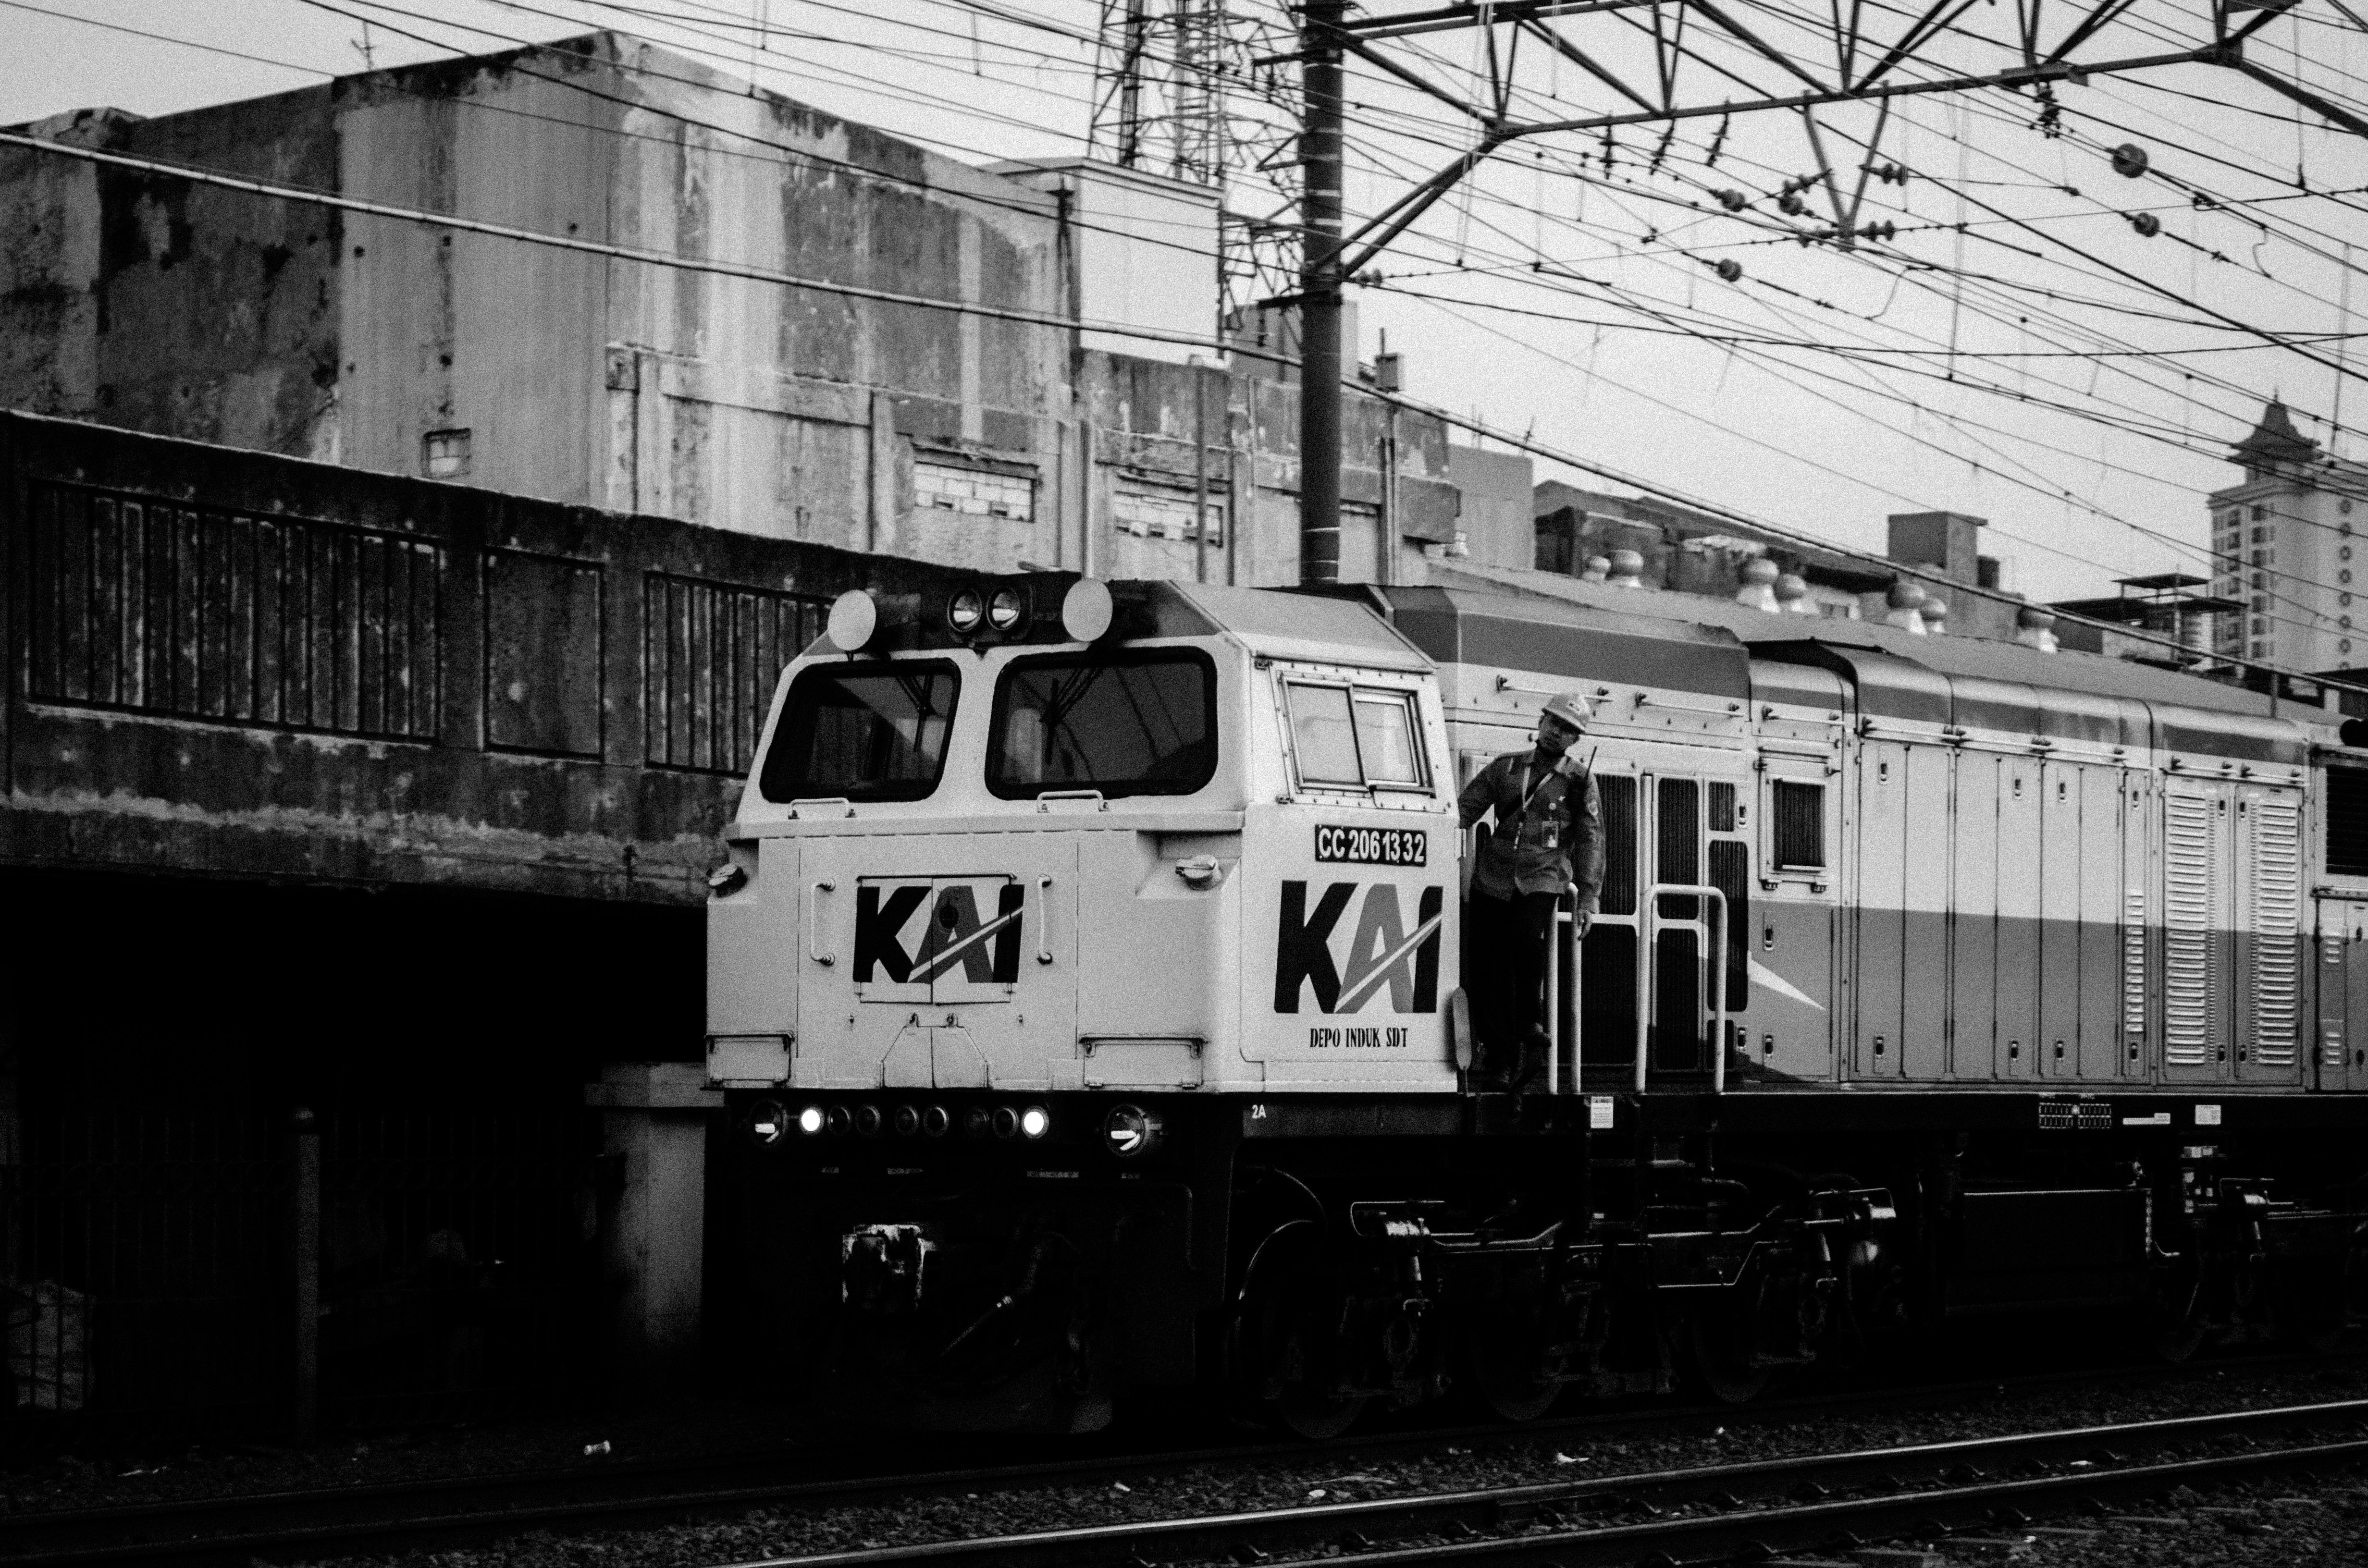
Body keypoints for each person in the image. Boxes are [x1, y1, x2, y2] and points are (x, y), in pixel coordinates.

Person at [1455, 692, 1605, 1089]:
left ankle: (1530, 1021)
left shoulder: (1579, 780)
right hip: (1493, 876)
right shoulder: (1505, 769)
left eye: (1569, 730)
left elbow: (1591, 839)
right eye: (1554, 723)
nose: (1558, 733)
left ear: (1576, 739)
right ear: (1541, 723)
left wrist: (1587, 897)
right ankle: (1501, 1056)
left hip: (1543, 876)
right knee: (1488, 966)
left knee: (1524, 936)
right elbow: (1462, 811)